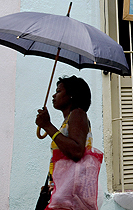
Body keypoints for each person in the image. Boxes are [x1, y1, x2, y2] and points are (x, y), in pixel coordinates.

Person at [35, 75, 103, 210]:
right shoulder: (69, 120)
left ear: (71, 95)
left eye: (59, 91)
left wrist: (48, 126)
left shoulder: (78, 114)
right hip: (60, 190)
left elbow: (76, 151)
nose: (54, 95)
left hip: (70, 196)